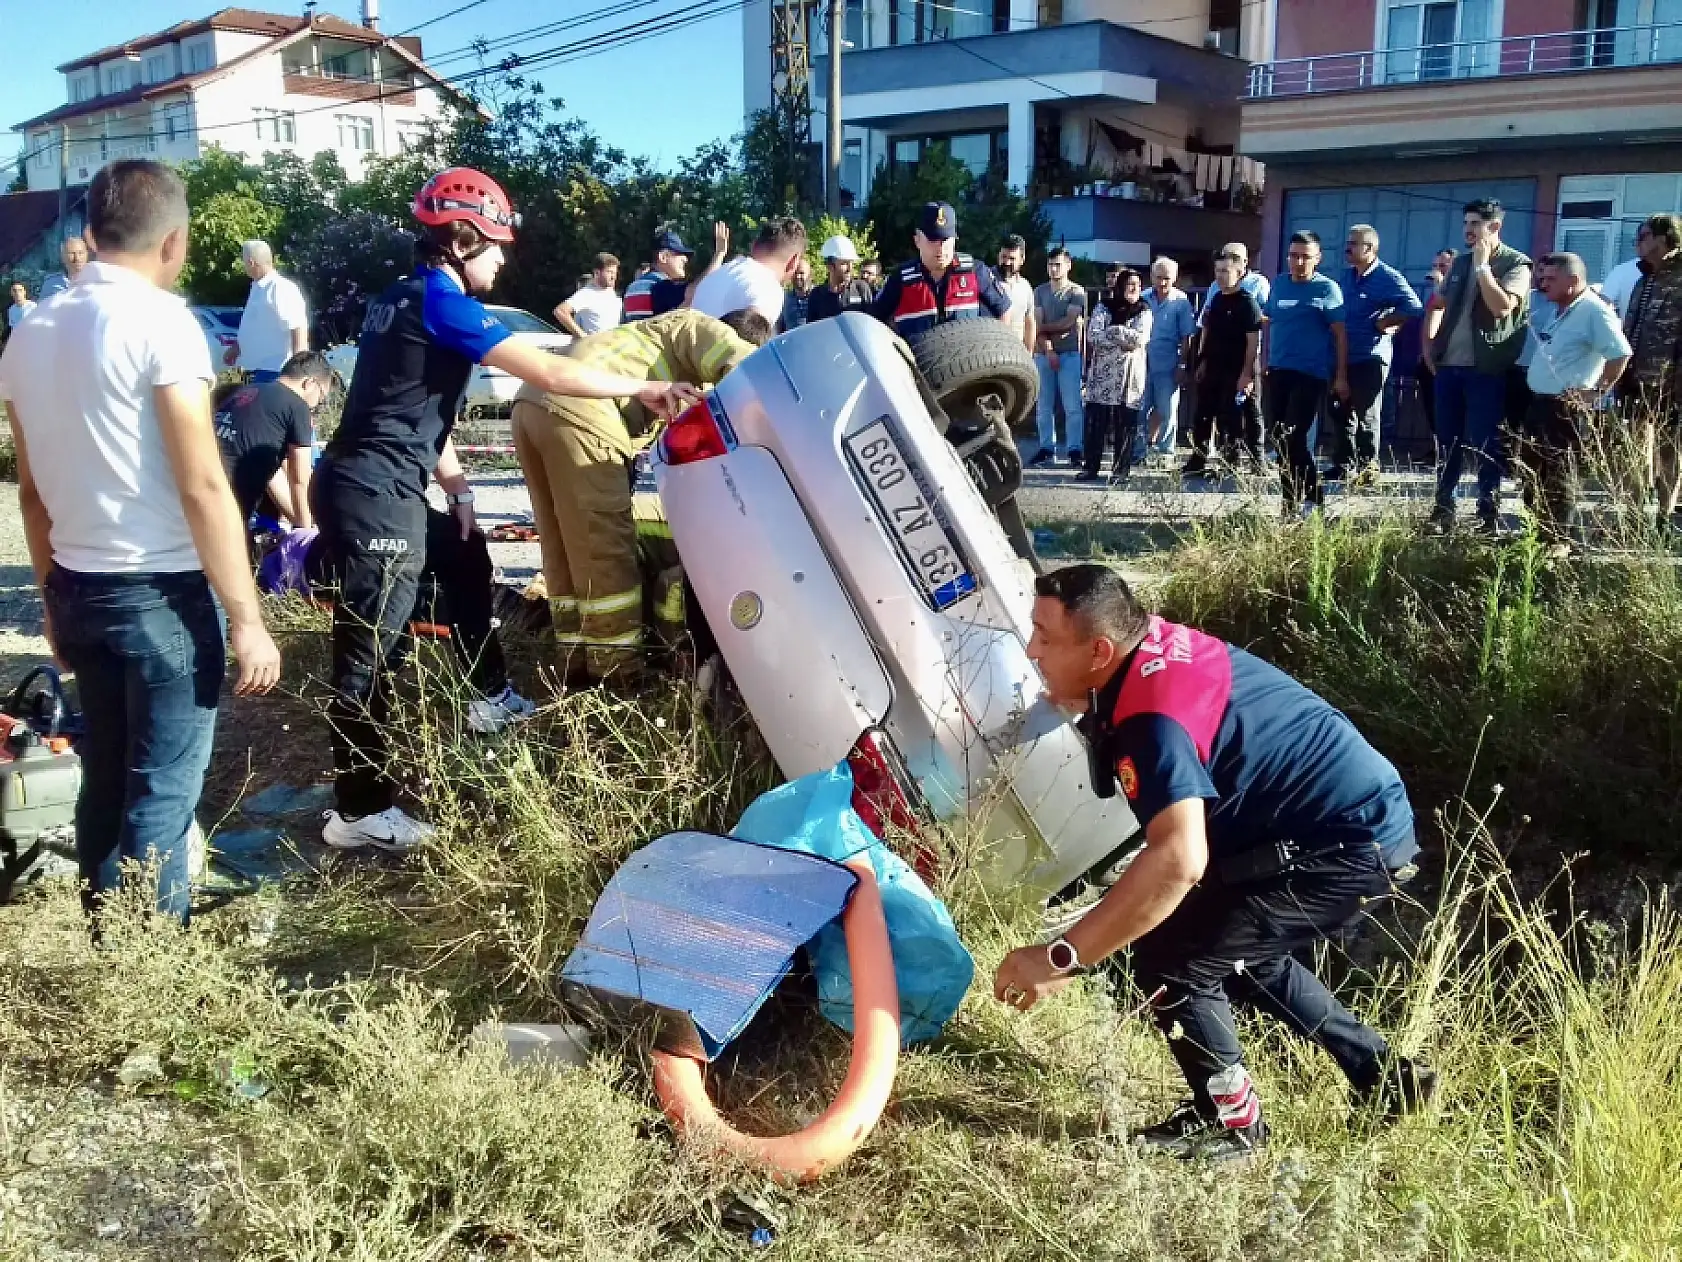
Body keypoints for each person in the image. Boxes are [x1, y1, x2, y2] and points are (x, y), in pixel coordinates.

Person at [312, 167, 702, 853]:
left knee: (466, 555)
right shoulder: (441, 300)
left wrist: (461, 492)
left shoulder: (401, 298)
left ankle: (488, 697)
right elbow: (549, 371)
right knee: (369, 652)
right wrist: (647, 385)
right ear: (460, 240)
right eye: (494, 245)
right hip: (376, 496)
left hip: (375, 483)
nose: (502, 257)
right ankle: (359, 809)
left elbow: (413, 409)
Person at [994, 564, 1432, 1163]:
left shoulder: (1151, 719)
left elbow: (1178, 859)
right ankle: (1386, 1077)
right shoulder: (1144, 651)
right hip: (1346, 820)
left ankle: (1231, 1123)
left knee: (1175, 959)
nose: (1032, 649)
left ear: (1099, 649)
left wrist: (1060, 957)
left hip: (1348, 843)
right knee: (1240, 952)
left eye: (1045, 637)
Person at [0, 159, 282, 928]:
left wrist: (54, 603)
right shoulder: (161, 323)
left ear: (89, 232)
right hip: (162, 595)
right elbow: (201, 486)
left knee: (107, 780)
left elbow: (30, 491)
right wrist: (248, 617)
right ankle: (152, 963)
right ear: (175, 241)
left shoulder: (32, 334)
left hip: (79, 589)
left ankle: (109, 944)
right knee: (160, 791)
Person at [511, 308, 770, 685]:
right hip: (581, 411)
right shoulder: (700, 326)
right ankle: (617, 677)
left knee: (564, 545)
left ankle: (574, 664)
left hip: (530, 403)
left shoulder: (650, 336)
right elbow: (750, 374)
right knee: (605, 550)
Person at [1422, 199, 1533, 535]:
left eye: (1475, 224)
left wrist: (1484, 268)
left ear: (1495, 227)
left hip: (1487, 369)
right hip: (1449, 368)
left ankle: (1488, 513)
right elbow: (1437, 303)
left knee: (1486, 442)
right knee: (1448, 441)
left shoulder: (1517, 265)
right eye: (1466, 223)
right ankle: (1444, 509)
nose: (1468, 231)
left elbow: (1501, 309)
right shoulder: (1460, 263)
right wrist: (1429, 346)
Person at [1517, 252, 1630, 549]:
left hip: (1565, 409)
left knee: (1559, 475)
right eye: (1542, 278)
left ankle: (1558, 541)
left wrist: (1596, 392)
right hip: (1539, 403)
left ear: (1574, 280)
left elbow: (1620, 354)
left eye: (1551, 279)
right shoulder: (1559, 310)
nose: (1544, 284)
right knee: (1533, 474)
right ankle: (1536, 536)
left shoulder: (1594, 311)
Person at [1329, 225, 1422, 487]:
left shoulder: (1387, 277)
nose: (1347, 248)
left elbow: (1414, 307)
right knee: (1339, 410)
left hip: (1370, 356)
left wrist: (1386, 322)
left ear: (1370, 249)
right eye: (1348, 242)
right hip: (1342, 354)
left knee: (1367, 412)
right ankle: (1343, 465)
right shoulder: (1345, 277)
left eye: (1354, 244)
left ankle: (1368, 467)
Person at [1264, 231, 1348, 516]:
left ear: (1318, 259)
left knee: (1294, 436)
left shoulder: (1327, 289)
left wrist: (1341, 376)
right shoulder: (1279, 285)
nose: (1298, 262)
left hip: (1310, 374)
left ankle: (1314, 497)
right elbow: (1270, 321)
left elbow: (1340, 335)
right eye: (1293, 256)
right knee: (1278, 437)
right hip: (1278, 371)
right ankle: (1289, 504)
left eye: (1305, 257)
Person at [213, 350, 332, 529]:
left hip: (197, 486)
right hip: (228, 505)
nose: (316, 406)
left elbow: (273, 478)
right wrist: (307, 534)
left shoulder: (248, 391)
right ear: (310, 384)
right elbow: (299, 478)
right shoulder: (297, 406)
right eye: (321, 398)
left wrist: (300, 523)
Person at [869, 201, 1011, 346]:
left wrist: (996, 350)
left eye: (946, 240)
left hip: (968, 364)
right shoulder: (901, 279)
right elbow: (872, 322)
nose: (941, 248)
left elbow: (1004, 310)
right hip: (919, 365)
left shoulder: (975, 271)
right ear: (917, 240)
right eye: (933, 240)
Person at [1618, 214, 1682, 530]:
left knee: (1669, 451)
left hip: (1671, 384)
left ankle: (1664, 518)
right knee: (1634, 448)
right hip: (1635, 380)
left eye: (1643, 236)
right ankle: (1632, 518)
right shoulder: (1643, 280)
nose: (1638, 243)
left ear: (1663, 238)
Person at [1186, 254, 1265, 476]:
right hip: (1214, 366)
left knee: (1239, 417)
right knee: (1204, 413)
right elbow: (1207, 332)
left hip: (1238, 367)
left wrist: (1247, 374)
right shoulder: (1217, 300)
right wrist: (1202, 361)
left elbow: (1253, 342)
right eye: (1217, 271)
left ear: (1239, 274)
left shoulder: (1247, 303)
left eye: (1225, 271)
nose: (1220, 276)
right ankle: (1198, 460)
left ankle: (1240, 461)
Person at [1078, 268, 1150, 483]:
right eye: (1130, 284)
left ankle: (1121, 471)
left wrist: (1112, 331)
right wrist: (1121, 336)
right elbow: (1093, 335)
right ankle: (1091, 468)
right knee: (1096, 424)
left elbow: (1139, 340)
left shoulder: (1144, 310)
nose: (1134, 288)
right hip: (1102, 378)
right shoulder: (1104, 306)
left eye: (1137, 285)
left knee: (1125, 425)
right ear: (1119, 286)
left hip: (1129, 378)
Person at [694, 217, 808, 328]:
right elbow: (748, 345)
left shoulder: (718, 274)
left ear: (753, 246)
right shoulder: (768, 289)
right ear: (794, 261)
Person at [1032, 247, 1089, 467]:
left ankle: (1075, 448)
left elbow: (1069, 321)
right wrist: (1048, 349)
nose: (1053, 269)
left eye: (1058, 264)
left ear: (1068, 265)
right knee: (1043, 404)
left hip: (1070, 353)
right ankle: (1046, 447)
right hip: (1044, 353)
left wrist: (1043, 329)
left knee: (1072, 404)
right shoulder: (1040, 291)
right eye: (1050, 264)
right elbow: (1037, 324)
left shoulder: (1076, 291)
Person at [1141, 257, 1197, 465]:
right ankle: (1139, 450)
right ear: (1151, 276)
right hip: (1143, 361)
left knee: (1167, 410)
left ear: (1174, 278)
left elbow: (1187, 336)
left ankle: (1166, 452)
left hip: (1168, 361)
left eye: (1167, 278)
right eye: (1158, 277)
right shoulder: (1143, 298)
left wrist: (1183, 365)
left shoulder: (1180, 301)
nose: (1162, 283)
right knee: (1140, 408)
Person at [230, 240, 309, 382]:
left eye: (244, 262)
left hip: (275, 370)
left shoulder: (280, 287)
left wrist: (298, 370)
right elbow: (255, 325)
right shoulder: (258, 287)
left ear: (251, 262)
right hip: (259, 370)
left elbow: (298, 326)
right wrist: (237, 347)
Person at [624, 227, 708, 322]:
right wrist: (719, 254)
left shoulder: (632, 287)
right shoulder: (662, 286)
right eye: (678, 253)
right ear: (663, 257)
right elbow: (696, 291)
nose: (685, 259)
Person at [806, 235, 875, 322]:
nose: (850, 268)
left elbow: (870, 323)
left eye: (851, 263)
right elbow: (812, 330)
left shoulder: (861, 289)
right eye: (844, 263)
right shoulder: (817, 295)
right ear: (830, 266)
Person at [552, 252, 622, 338]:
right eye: (609, 272)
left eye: (614, 273)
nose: (613, 277)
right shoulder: (587, 294)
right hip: (595, 348)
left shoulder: (611, 292)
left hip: (612, 346)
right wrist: (583, 336)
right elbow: (560, 311)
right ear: (597, 273)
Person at [994, 234, 1037, 354]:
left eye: (1012, 258)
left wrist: (1029, 353)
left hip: (1017, 354)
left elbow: (1029, 323)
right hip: (991, 352)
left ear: (1022, 260)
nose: (1006, 262)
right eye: (1003, 257)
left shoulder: (1025, 286)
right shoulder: (987, 281)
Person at [38, 234, 89, 300]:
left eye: (80, 253)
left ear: (87, 255)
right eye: (72, 253)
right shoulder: (51, 284)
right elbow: (42, 309)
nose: (77, 258)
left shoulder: (96, 280)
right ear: (63, 256)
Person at [782, 255, 814, 331]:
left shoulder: (819, 297)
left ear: (810, 275)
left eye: (801, 273)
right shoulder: (784, 299)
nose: (797, 276)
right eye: (795, 273)